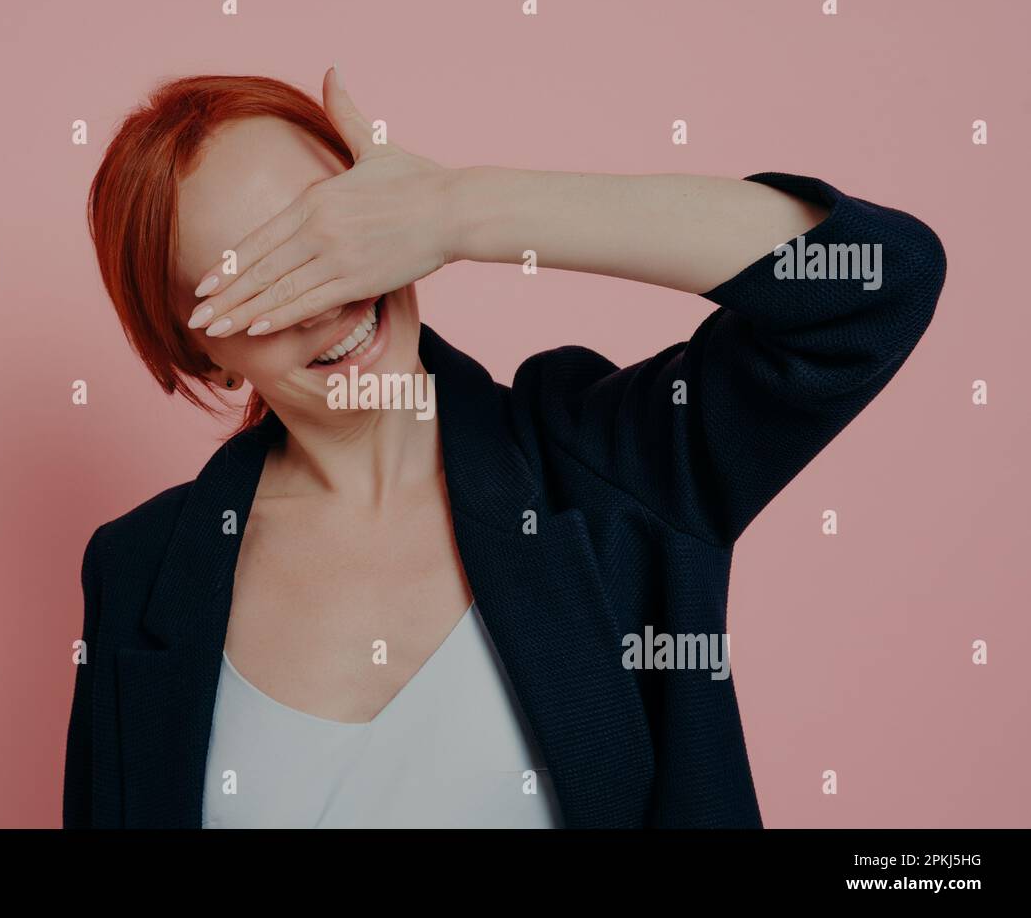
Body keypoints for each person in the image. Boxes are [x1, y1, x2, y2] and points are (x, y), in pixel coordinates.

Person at [62, 67, 946, 828]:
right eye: (253, 279)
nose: (325, 299)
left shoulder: (603, 470)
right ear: (192, 348)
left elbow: (875, 278)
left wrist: (458, 209)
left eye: (330, 232)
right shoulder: (140, 574)